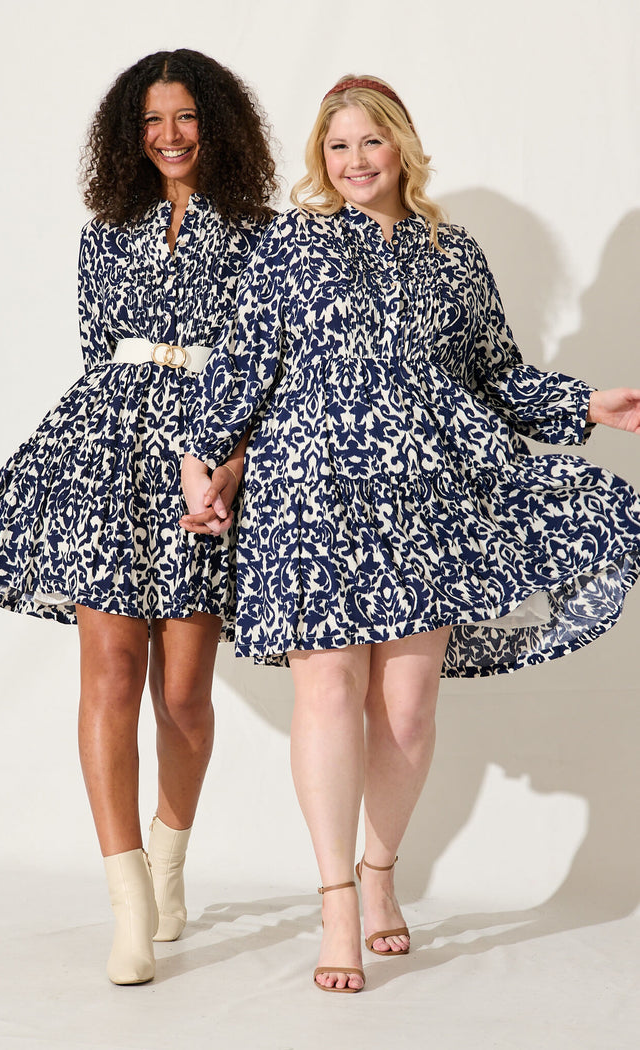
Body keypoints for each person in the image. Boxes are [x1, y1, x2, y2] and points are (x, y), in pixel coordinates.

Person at [180, 75, 640, 994]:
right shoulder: (289, 244)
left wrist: (588, 403)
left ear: (402, 147)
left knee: (407, 708)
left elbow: (497, 376)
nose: (355, 160)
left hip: (428, 498)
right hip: (311, 493)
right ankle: (336, 902)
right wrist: (203, 458)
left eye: (371, 141)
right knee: (328, 692)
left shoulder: (453, 252)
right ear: (322, 157)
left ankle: (379, 871)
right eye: (337, 145)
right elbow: (241, 368)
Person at [0, 49, 276, 985]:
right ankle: (128, 904)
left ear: (216, 122)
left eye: (185, 116)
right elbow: (99, 353)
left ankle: (170, 860)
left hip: (204, 463)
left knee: (183, 694)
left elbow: (268, 367)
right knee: (110, 673)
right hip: (107, 455)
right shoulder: (106, 232)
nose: (168, 136)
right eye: (150, 121)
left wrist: (228, 465)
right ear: (129, 135)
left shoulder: (262, 235)